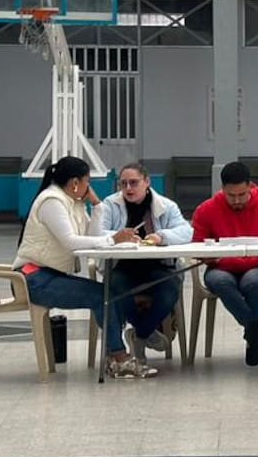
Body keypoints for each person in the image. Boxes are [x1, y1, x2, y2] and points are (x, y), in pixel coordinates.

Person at [13, 156, 153, 378]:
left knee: (108, 293)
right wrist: (113, 240)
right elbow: (70, 241)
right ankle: (118, 357)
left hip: (50, 275)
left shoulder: (74, 202)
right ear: (75, 183)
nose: (90, 187)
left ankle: (115, 355)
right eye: (88, 182)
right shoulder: (52, 201)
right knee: (101, 296)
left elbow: (91, 236)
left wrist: (97, 206)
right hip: (33, 278)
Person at [89, 162, 192, 360]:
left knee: (171, 287)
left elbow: (186, 231)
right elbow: (96, 233)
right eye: (123, 184)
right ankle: (146, 331)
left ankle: (140, 333)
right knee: (116, 286)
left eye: (134, 183)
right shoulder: (110, 204)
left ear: (147, 182)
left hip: (158, 266)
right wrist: (118, 236)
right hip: (122, 267)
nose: (128, 188)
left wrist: (161, 236)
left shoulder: (166, 206)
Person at [191, 161, 258, 367]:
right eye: (231, 195)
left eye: (241, 195)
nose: (236, 200)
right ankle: (257, 329)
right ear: (222, 189)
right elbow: (197, 244)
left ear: (250, 187)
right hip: (219, 267)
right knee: (220, 281)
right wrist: (208, 256)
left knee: (252, 283)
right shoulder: (206, 210)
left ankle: (253, 333)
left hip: (255, 266)